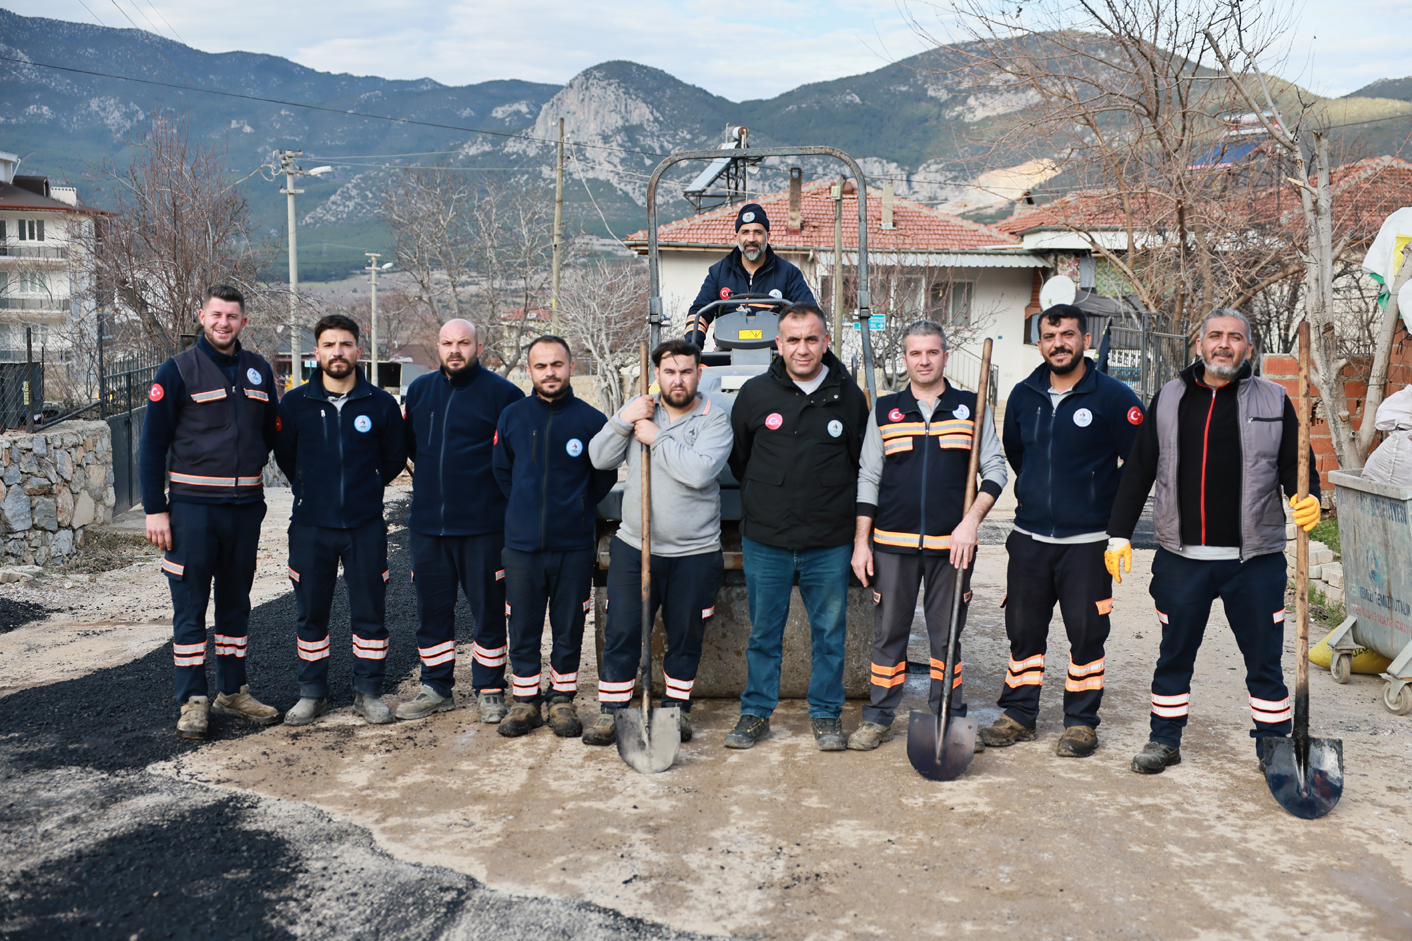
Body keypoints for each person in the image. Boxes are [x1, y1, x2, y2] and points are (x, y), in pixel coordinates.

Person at [1106, 308, 1321, 775]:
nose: (1225, 344)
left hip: (1255, 561)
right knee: (1174, 654)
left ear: (1249, 347)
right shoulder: (1168, 398)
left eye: (1235, 338)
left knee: (1265, 659)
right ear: (1199, 344)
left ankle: (1273, 748)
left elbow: (1296, 465)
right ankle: (1164, 740)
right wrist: (1118, 535)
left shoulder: (1274, 400)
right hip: (1181, 560)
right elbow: (1139, 470)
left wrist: (1310, 500)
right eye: (1216, 336)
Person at [978, 304, 1144, 757]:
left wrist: (1117, 528)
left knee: (1087, 634)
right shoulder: (1022, 395)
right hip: (1030, 539)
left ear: (1084, 340)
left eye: (1068, 335)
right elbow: (1018, 455)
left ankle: (1081, 722)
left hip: (1088, 545)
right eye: (1050, 336)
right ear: (1039, 343)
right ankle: (1018, 714)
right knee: (1023, 631)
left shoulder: (1113, 397)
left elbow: (1140, 464)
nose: (1059, 344)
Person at [847, 321, 1006, 751]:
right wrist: (862, 542)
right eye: (915, 353)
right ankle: (879, 716)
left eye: (931, 353)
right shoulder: (885, 410)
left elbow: (995, 471)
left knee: (946, 637)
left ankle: (949, 716)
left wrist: (971, 522)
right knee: (888, 637)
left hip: (951, 549)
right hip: (892, 548)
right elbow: (868, 478)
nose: (923, 360)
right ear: (905, 358)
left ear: (944, 356)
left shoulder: (971, 408)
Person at [140, 283, 281, 739]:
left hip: (245, 510)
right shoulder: (178, 370)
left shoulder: (260, 371)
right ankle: (193, 700)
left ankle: (233, 691)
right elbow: (151, 446)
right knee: (191, 606)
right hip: (192, 511)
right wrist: (155, 510)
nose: (224, 323)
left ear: (244, 322)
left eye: (232, 316)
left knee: (237, 604)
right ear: (201, 317)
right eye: (216, 314)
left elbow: (278, 437)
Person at [725, 302, 867, 751]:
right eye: (793, 340)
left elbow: (861, 461)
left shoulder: (850, 397)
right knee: (764, 634)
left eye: (812, 339)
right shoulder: (754, 394)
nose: (802, 349)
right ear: (778, 344)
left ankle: (826, 715)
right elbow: (740, 458)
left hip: (828, 541)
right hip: (766, 538)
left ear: (826, 342)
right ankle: (755, 713)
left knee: (829, 634)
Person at [583, 338, 733, 746]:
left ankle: (675, 710)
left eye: (686, 370)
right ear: (657, 375)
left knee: (686, 635)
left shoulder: (714, 419)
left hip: (695, 552)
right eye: (669, 371)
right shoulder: (639, 414)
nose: (678, 379)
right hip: (636, 547)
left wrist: (656, 438)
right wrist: (624, 420)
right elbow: (598, 458)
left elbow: (700, 473)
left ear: (699, 373)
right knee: (624, 631)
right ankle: (612, 711)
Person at [273, 314, 406, 726]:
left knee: (369, 613)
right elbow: (286, 457)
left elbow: (392, 460)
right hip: (311, 526)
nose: (337, 352)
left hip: (365, 525)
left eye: (345, 344)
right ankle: (312, 693)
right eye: (329, 345)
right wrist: (317, 493)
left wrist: (364, 490)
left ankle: (368, 692)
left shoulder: (381, 405)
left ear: (358, 351)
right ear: (317, 353)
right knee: (311, 613)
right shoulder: (294, 404)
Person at [399, 319, 525, 722]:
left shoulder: (503, 395)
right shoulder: (419, 391)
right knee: (431, 612)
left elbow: (517, 461)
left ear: (478, 346)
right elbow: (411, 448)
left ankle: (489, 689)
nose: (456, 350)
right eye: (448, 343)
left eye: (464, 343)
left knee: (488, 612)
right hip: (427, 528)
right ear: (437, 346)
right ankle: (435, 687)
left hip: (484, 528)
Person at [493, 336, 617, 738]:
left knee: (569, 626)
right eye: (541, 366)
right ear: (529, 371)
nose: (550, 372)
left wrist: (575, 507)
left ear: (571, 367)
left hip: (573, 545)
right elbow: (502, 473)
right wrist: (526, 511)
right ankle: (526, 701)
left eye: (557, 365)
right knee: (523, 626)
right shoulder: (511, 417)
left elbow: (603, 477)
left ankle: (561, 699)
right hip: (522, 547)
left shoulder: (590, 420)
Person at [684, 203, 817, 348]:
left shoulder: (788, 273)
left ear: (768, 236)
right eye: (745, 232)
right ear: (737, 236)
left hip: (775, 358)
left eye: (758, 232)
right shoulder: (719, 272)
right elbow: (699, 313)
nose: (751, 238)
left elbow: (809, 315)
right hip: (726, 356)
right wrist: (692, 349)